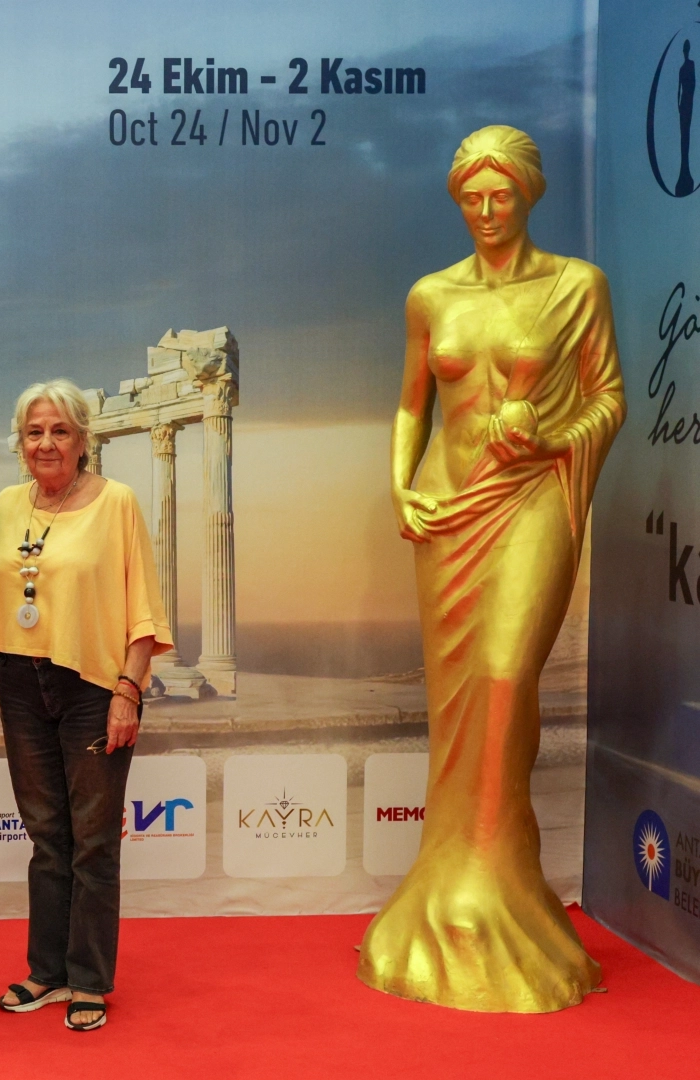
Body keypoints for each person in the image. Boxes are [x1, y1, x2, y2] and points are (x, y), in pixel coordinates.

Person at [358, 125, 624, 1012]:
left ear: (528, 195)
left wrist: (551, 438)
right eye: (470, 196)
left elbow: (610, 397)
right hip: (447, 507)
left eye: (500, 194)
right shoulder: (430, 295)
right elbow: (412, 405)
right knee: (456, 704)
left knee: (507, 678)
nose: (484, 210)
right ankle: (452, 881)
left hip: (534, 495)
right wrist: (399, 487)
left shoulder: (577, 286)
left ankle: (497, 883)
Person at [0, 378, 170, 1032]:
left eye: (60, 431)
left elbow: (143, 609)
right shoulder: (7, 504)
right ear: (20, 442)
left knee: (92, 842)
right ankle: (46, 971)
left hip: (93, 687)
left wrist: (128, 691)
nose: (46, 443)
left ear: (83, 439)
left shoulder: (117, 502)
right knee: (46, 838)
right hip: (19, 684)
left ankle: (88, 979)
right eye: (34, 432)